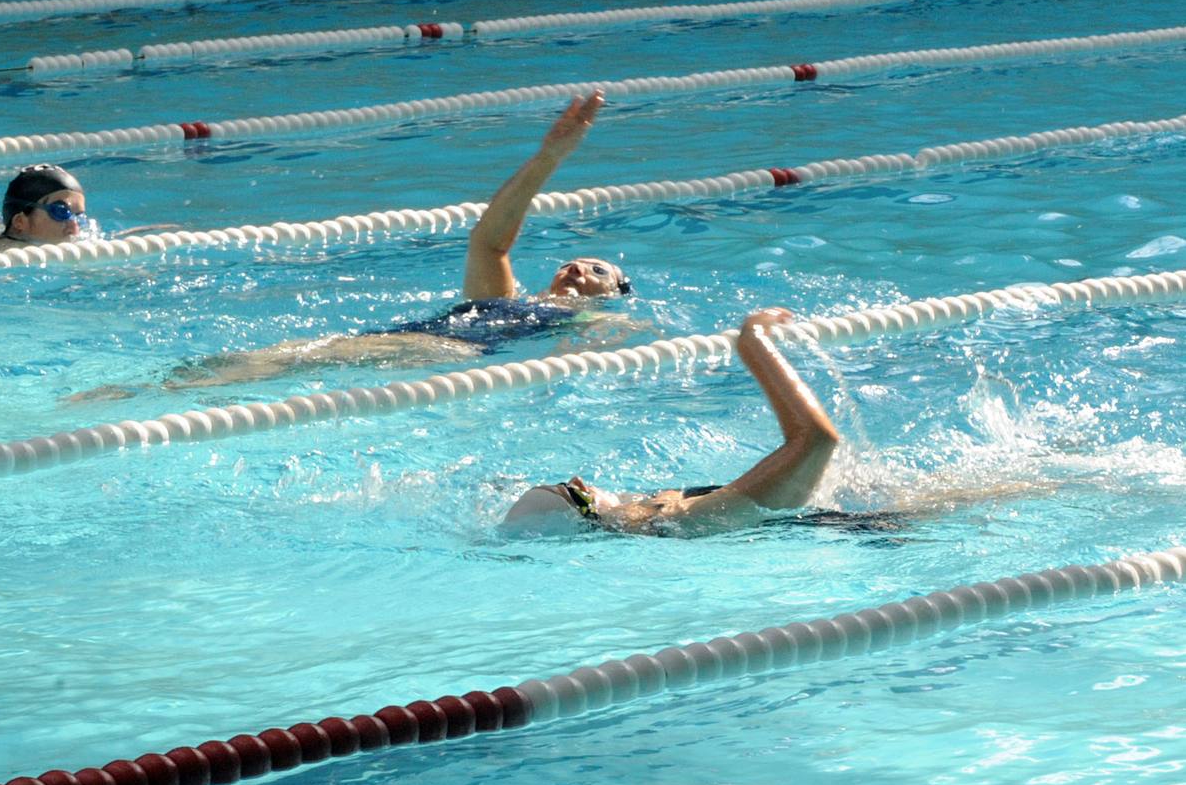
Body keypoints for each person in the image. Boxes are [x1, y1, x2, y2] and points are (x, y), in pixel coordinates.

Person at [90, 89, 647, 395]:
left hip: (445, 351)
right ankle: (148, 390)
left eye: (595, 269)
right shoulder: (509, 300)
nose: (575, 268)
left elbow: (591, 359)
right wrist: (548, 158)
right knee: (281, 360)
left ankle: (146, 396)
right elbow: (489, 241)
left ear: (618, 291)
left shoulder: (595, 323)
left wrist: (605, 323)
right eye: (572, 261)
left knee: (289, 365)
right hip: (414, 336)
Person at [502, 307, 843, 537]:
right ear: (588, 519)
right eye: (575, 495)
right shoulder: (693, 518)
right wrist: (753, 341)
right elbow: (815, 440)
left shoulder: (666, 512)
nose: (580, 480)